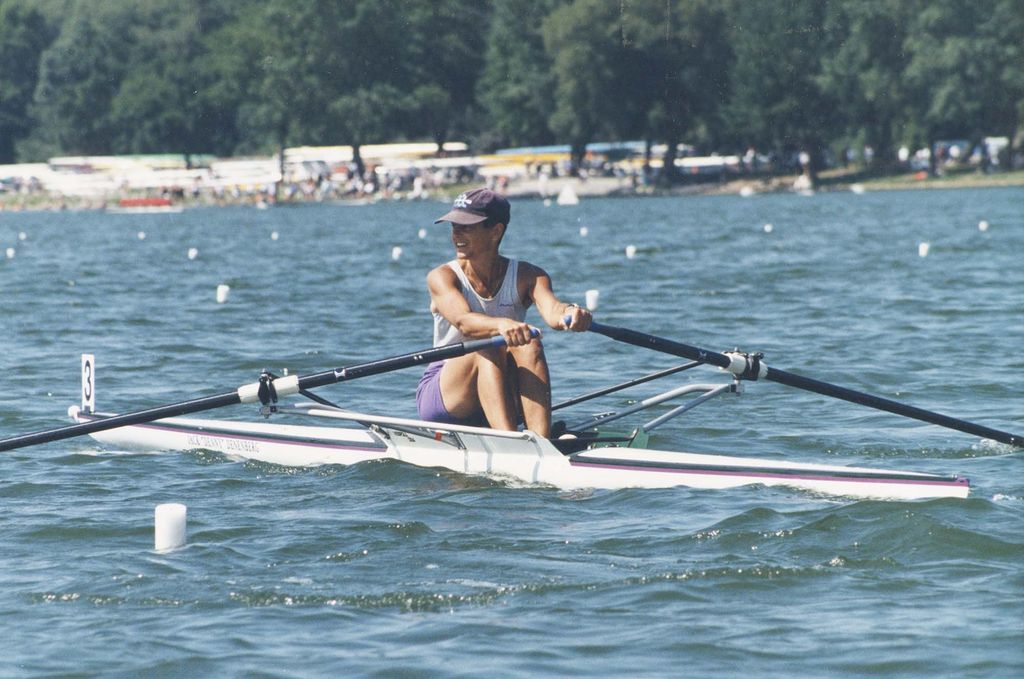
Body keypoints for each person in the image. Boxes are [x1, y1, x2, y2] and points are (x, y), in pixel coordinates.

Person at [416, 187, 591, 438]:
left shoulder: (529, 276)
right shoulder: (442, 277)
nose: (456, 234)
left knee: (530, 344)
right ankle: (510, 444)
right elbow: (464, 322)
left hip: (502, 390)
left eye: (467, 226)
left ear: (495, 231)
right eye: (454, 226)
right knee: (485, 347)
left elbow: (553, 311)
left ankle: (541, 443)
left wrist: (572, 313)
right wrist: (501, 325)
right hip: (446, 396)